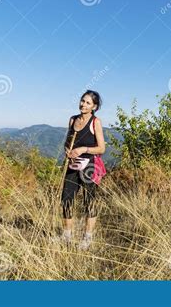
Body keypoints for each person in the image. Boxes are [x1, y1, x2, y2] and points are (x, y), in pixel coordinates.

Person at [60, 90, 105, 250]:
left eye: (88, 103)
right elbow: (68, 141)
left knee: (89, 202)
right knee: (66, 199)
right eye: (82, 101)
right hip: (73, 164)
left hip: (89, 166)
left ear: (94, 107)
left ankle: (87, 238)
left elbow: (101, 148)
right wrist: (68, 151)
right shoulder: (73, 120)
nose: (83, 105)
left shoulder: (95, 122)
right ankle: (67, 236)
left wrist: (83, 149)